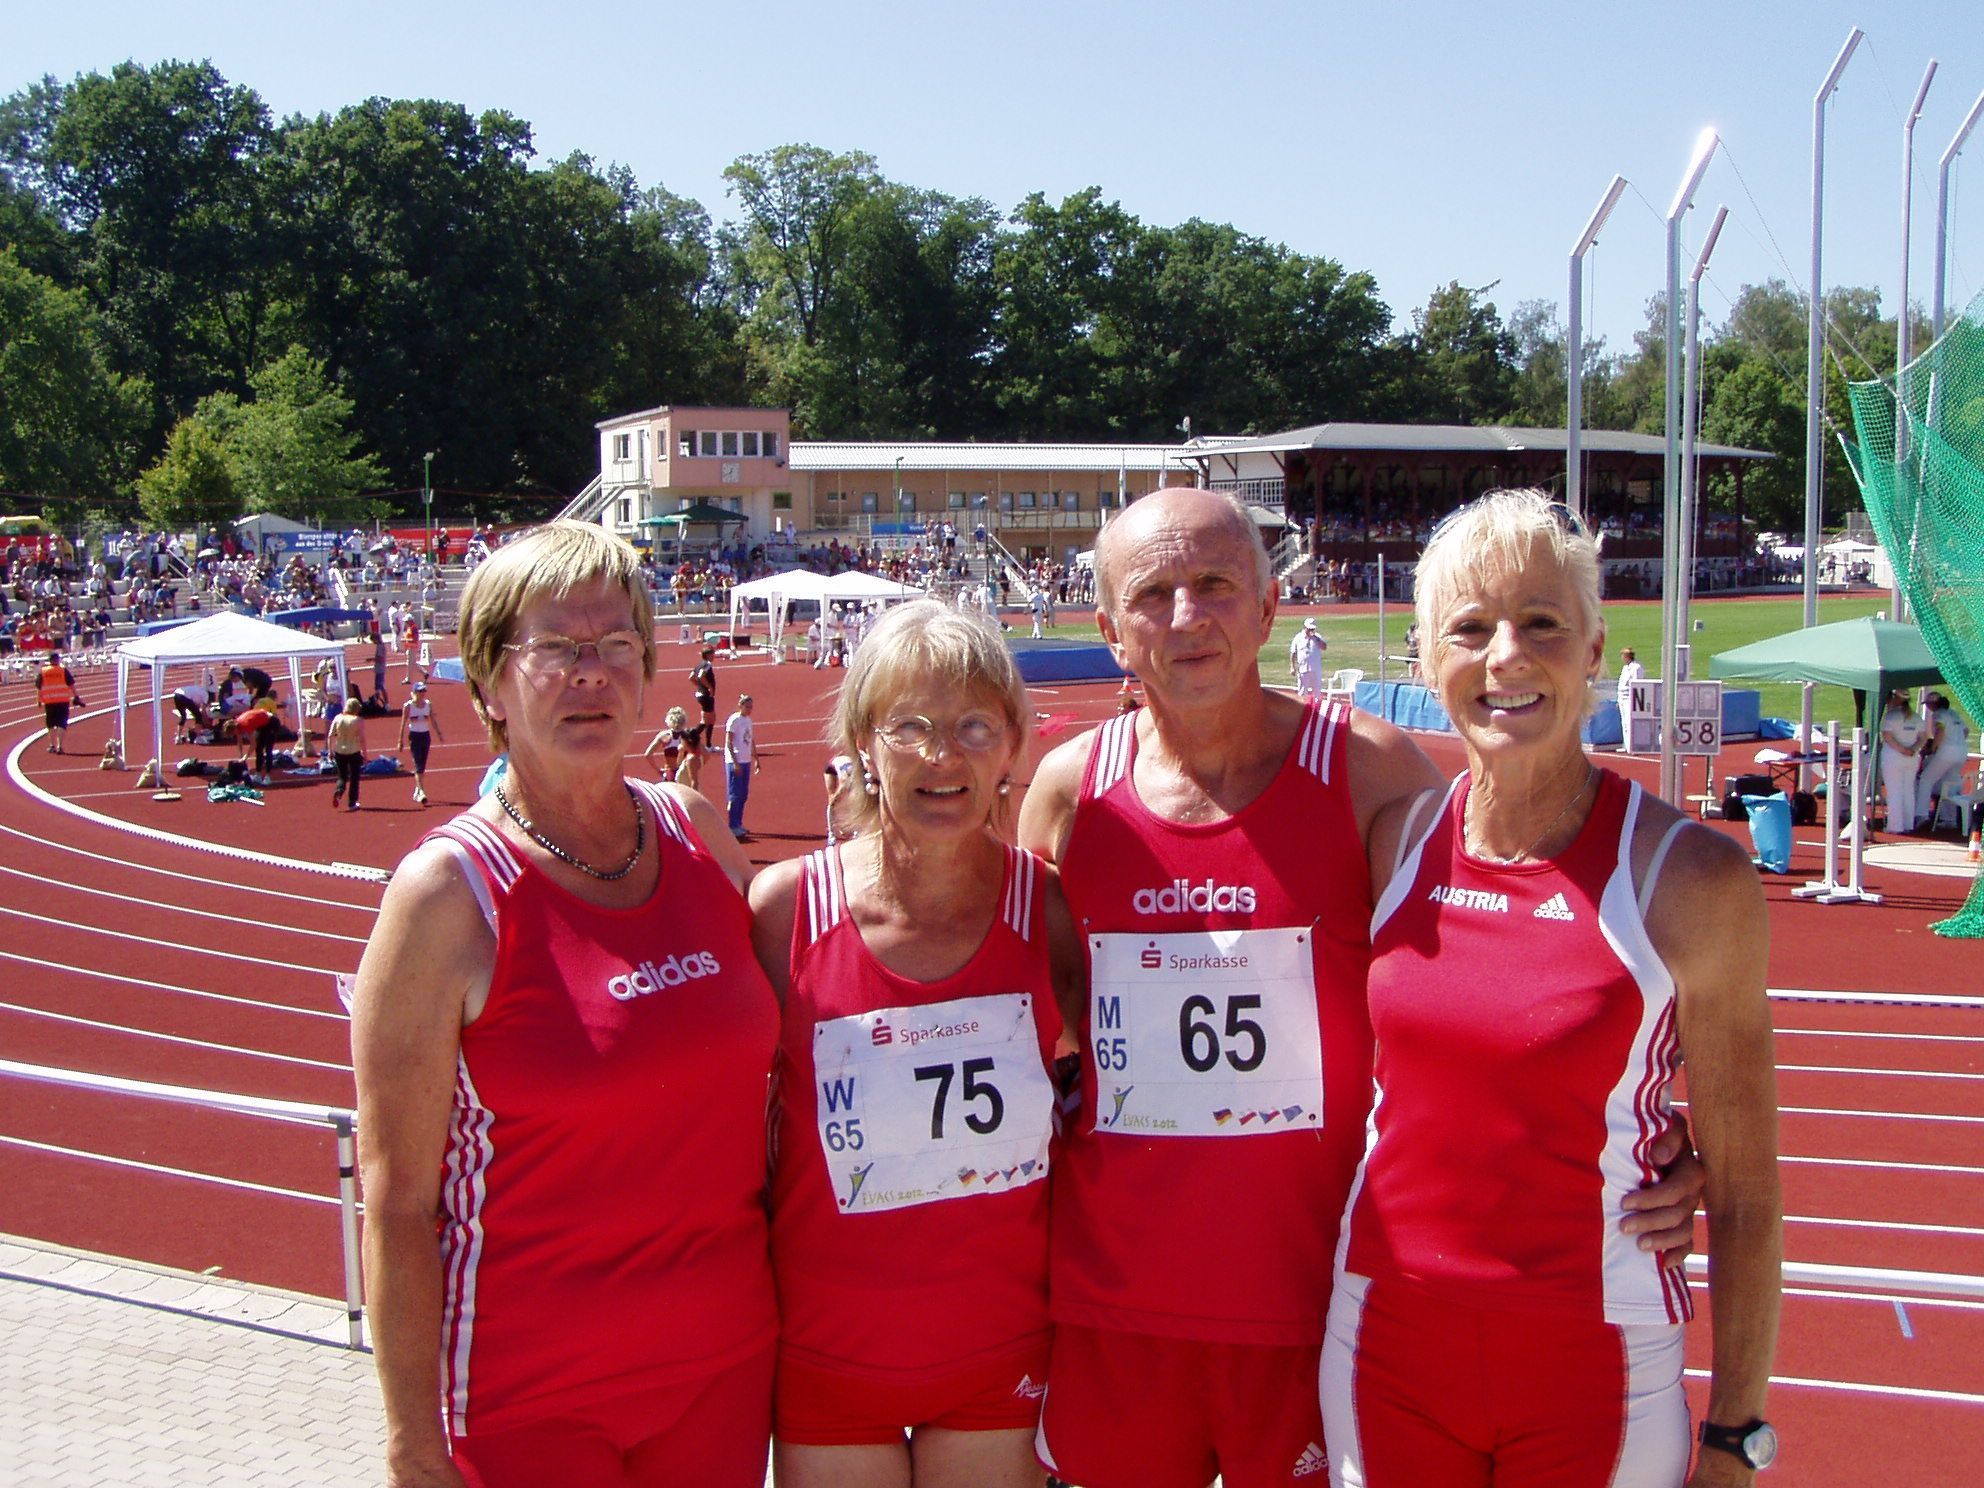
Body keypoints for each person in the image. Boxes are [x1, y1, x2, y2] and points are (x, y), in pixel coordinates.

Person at [1017, 488, 1701, 1488]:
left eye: (1213, 585)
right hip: (1117, 1310)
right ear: (1108, 629)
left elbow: (1509, 970)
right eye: (1152, 593)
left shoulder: (1371, 776)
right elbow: (1023, 1020)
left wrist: (1657, 1132)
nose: (1185, 617)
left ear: (1267, 608)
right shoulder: (1071, 794)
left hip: (1321, 1303)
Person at [1321, 489, 1781, 1488]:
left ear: (1593, 647)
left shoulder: (1689, 878)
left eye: (1540, 624)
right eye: (1469, 628)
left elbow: (1746, 1191)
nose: (1504, 658)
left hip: (1597, 1363)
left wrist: (1735, 1435)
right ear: (1423, 659)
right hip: (1382, 1344)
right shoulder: (1392, 839)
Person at [349, 520, 773, 1488]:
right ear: (491, 681)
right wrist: (413, 1446)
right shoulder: (444, 898)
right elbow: (399, 1204)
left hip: (723, 1369)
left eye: (615, 644)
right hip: (528, 1398)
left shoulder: (698, 830)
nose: (592, 673)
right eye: (557, 648)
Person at [749, 600, 1074, 1488]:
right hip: (827, 1348)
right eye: (912, 727)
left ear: (1012, 745)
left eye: (975, 725)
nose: (944, 756)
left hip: (998, 1344)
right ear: (862, 740)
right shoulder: (782, 913)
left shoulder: (1046, 911)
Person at [1914, 692, 1970, 830]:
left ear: (1933, 704)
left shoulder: (1938, 715)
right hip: (1962, 751)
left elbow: (1940, 731)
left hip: (1947, 752)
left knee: (1926, 779)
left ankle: (1922, 815)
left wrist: (1933, 748)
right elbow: (1966, 731)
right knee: (1949, 783)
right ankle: (1949, 819)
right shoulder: (1953, 714)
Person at [1878, 687, 1925, 833]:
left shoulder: (1891, 717)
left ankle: (1895, 826)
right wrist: (1913, 749)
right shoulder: (1916, 717)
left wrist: (1902, 750)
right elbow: (1923, 738)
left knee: (1894, 791)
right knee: (1908, 791)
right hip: (1911, 758)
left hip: (1894, 757)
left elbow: (1887, 737)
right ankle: (1908, 824)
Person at [398, 680, 444, 806]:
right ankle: (422, 792)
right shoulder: (408, 706)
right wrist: (400, 740)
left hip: (425, 736)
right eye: (420, 691)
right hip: (414, 736)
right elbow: (403, 723)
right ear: (414, 692)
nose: (423, 693)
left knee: (422, 765)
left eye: (424, 691)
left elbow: (433, 720)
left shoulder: (428, 704)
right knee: (418, 765)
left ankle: (417, 789)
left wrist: (439, 733)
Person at [724, 693, 757, 840]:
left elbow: (751, 740)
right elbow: (729, 742)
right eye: (747, 706)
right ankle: (732, 825)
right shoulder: (734, 720)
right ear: (740, 706)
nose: (750, 709)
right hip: (735, 761)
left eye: (751, 707)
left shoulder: (748, 720)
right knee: (735, 795)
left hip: (746, 760)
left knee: (743, 794)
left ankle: (739, 823)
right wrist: (735, 762)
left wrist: (755, 757)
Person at [37, 649, 83, 754]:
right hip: (62, 700)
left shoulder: (43, 671)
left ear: (49, 660)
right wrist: (76, 696)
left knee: (50, 724)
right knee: (61, 724)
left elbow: (39, 688)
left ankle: (52, 745)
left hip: (49, 701)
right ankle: (59, 746)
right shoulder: (63, 670)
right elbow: (71, 685)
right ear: (58, 660)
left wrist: (39, 700)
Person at [328, 695, 368, 811]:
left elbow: (330, 735)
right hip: (353, 751)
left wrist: (330, 751)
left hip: (339, 750)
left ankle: (339, 791)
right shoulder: (358, 720)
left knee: (342, 776)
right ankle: (352, 802)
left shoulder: (337, 718)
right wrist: (365, 755)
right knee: (355, 778)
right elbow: (362, 739)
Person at [1289, 616, 1327, 700]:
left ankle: (1317, 709)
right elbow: (1293, 652)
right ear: (1305, 627)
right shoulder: (1298, 638)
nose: (1311, 631)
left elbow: (1324, 647)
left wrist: (1317, 639)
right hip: (1303, 669)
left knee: (1317, 692)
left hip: (1315, 669)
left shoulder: (1317, 637)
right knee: (1302, 691)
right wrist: (1292, 667)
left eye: (1312, 629)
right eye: (1309, 629)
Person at [1616, 647, 1646, 754]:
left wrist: (1635, 700)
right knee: (1624, 722)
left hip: (1630, 698)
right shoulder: (1625, 668)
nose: (1622, 658)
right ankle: (1626, 745)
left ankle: (1633, 746)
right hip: (1622, 698)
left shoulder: (1636, 667)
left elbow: (1637, 684)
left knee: (1630, 722)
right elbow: (1621, 685)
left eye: (1623, 655)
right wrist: (1618, 700)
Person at [691, 646, 718, 747]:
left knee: (708, 719)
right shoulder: (707, 664)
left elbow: (691, 677)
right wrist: (709, 687)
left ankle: (704, 743)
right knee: (709, 721)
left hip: (700, 694)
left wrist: (699, 686)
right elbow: (701, 676)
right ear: (707, 655)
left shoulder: (698, 665)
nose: (714, 656)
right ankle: (694, 738)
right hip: (706, 695)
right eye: (712, 654)